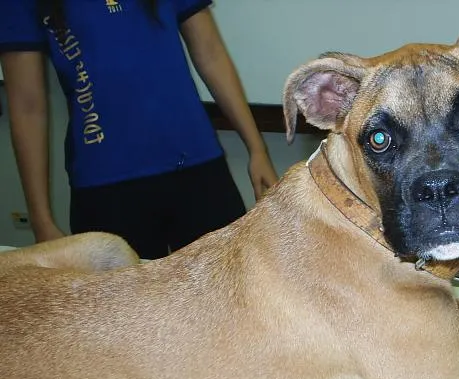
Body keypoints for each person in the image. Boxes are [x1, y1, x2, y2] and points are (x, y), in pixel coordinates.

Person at [0, 0, 279, 259]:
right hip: (105, 187)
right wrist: (41, 220)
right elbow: (27, 106)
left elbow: (211, 54)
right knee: (123, 297)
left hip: (198, 166)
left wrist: (256, 148)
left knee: (226, 287)